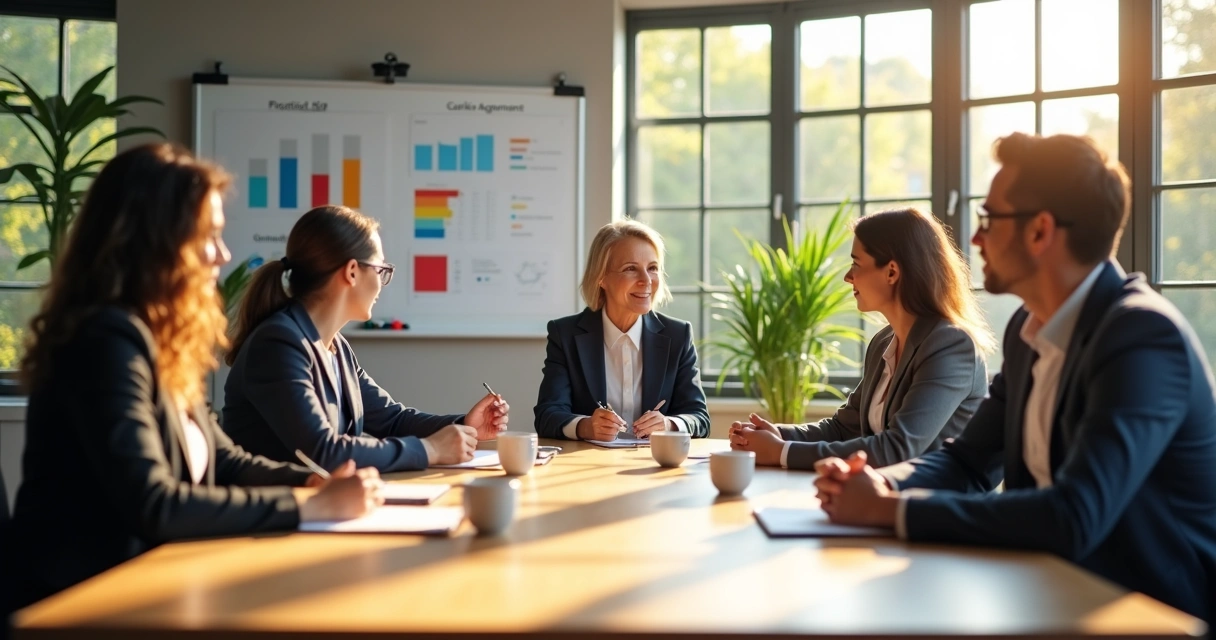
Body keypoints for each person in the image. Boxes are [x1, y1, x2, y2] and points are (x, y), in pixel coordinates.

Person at [814, 133, 1216, 623]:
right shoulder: (1028, 332)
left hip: (1146, 614)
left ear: (1040, 232)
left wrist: (888, 510)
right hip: (1049, 592)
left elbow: (1074, 515)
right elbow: (966, 463)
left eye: (988, 220)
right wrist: (875, 482)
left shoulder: (1141, 337)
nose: (975, 239)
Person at [1, 143, 381, 621]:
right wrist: (307, 508)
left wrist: (308, 481)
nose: (222, 254)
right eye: (208, 235)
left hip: (152, 586)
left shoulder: (159, 340)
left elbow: (225, 459)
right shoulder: (101, 339)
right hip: (81, 606)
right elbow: (154, 502)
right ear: (154, 239)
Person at [223, 205, 508, 472]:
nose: (382, 283)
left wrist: (465, 426)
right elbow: (322, 452)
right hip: (277, 516)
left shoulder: (336, 347)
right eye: (381, 270)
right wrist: (430, 449)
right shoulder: (278, 344)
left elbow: (392, 420)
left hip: (325, 507)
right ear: (351, 272)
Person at [728, 208, 993, 470]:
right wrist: (776, 434)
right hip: (884, 497)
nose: (848, 276)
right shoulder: (883, 342)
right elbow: (843, 428)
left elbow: (898, 448)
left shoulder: (950, 345)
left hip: (937, 506)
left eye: (856, 263)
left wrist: (781, 452)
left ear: (891, 272)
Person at [534, 220, 710, 441]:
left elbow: (699, 417)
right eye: (630, 269)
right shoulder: (565, 334)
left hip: (655, 467)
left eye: (653, 268)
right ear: (601, 278)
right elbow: (547, 415)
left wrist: (669, 424)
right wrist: (585, 426)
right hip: (589, 466)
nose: (646, 281)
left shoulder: (678, 335)